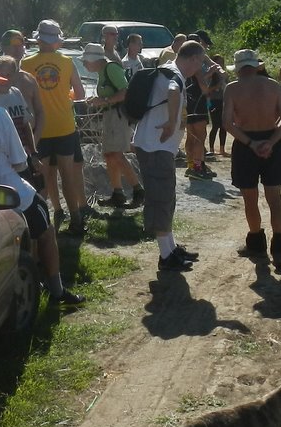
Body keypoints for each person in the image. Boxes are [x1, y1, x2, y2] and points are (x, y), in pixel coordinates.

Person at [0, 64, 84, 309]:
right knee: (46, 231)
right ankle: (56, 289)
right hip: (9, 193)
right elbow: (20, 162)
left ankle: (29, 282)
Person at [135, 41, 208, 270]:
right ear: (193, 59)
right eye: (200, 62)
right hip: (155, 147)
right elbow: (173, 91)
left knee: (166, 197)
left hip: (156, 146)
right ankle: (166, 257)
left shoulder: (169, 70)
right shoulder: (174, 75)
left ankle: (171, 248)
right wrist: (171, 122)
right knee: (161, 198)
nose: (199, 67)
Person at [224, 48, 281, 265]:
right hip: (272, 141)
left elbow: (227, 123)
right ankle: (279, 246)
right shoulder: (273, 86)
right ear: (256, 66)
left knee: (250, 198)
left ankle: (256, 244)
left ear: (238, 69)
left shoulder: (232, 89)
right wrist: (271, 142)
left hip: (246, 144)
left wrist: (251, 143)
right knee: (275, 198)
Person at [20, 19, 89, 235]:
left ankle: (53, 214)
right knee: (67, 174)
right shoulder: (67, 62)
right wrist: (65, 95)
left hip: (39, 129)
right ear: (56, 41)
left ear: (38, 40)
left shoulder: (25, 63)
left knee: (45, 175)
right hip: (64, 125)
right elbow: (80, 94)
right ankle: (76, 219)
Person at [82, 42, 143, 208]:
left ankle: (138, 191)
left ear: (94, 60)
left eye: (85, 61)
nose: (84, 64)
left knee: (116, 154)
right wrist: (99, 101)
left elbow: (125, 92)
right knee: (109, 154)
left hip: (118, 116)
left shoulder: (111, 69)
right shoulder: (103, 71)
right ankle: (117, 193)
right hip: (110, 115)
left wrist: (104, 101)